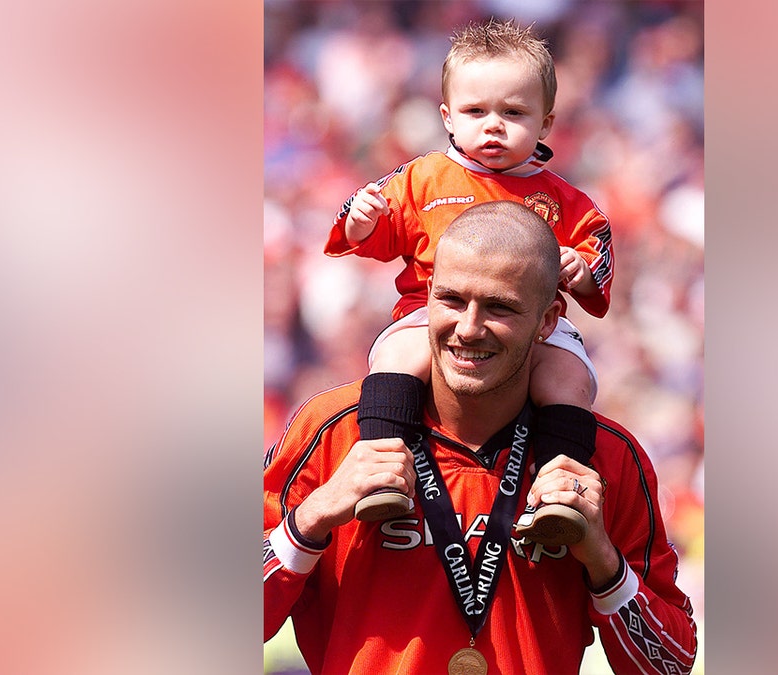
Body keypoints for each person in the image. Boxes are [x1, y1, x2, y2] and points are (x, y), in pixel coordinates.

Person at [265, 201, 696, 674]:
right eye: (451, 300)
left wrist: (601, 559)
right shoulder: (335, 430)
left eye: (499, 307)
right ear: (426, 295)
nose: (468, 329)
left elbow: (671, 667)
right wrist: (312, 517)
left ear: (549, 320)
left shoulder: (606, 458)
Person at [325, 18, 613, 546]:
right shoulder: (422, 177)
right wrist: (360, 218)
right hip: (430, 315)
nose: (494, 126)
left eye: (514, 113)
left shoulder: (569, 201)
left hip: (534, 330)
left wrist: (581, 270)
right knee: (396, 359)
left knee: (570, 382)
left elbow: (598, 264)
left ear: (546, 122)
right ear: (447, 117)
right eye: (476, 112)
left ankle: (557, 494)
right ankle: (383, 472)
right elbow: (368, 235)